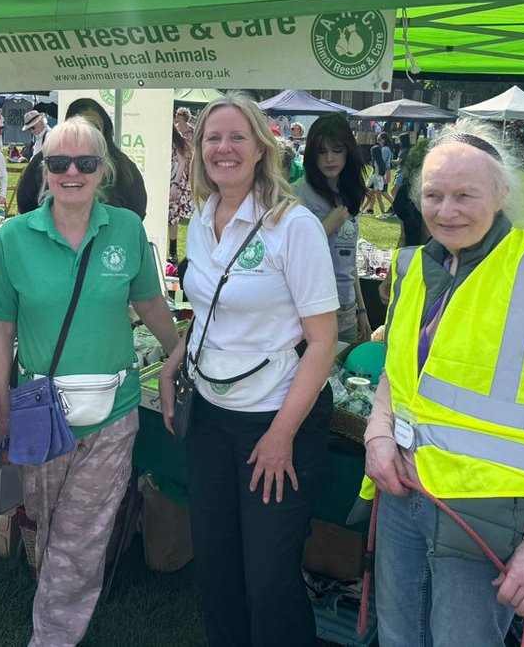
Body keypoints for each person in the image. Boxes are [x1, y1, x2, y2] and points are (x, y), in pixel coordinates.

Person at [361, 120, 524, 646]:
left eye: (465, 195)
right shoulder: (415, 267)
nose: (447, 211)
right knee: (398, 637)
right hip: (402, 496)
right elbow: (396, 377)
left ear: (501, 194)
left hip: (485, 518)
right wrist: (377, 435)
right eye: (433, 195)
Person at [0, 116, 180, 646]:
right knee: (48, 529)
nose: (72, 172)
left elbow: (148, 301)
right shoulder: (14, 236)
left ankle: (50, 639)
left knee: (81, 536)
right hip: (38, 410)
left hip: (114, 412)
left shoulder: (126, 229)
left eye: (85, 163)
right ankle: (57, 614)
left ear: (102, 169)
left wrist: (178, 349)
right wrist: (3, 407)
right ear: (43, 170)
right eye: (59, 162)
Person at [158, 93, 338, 646]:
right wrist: (173, 362)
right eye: (213, 138)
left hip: (276, 422)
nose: (223, 148)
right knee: (217, 569)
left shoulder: (294, 225)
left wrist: (282, 433)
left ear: (262, 147)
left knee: (268, 579)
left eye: (237, 137)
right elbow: (211, 313)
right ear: (198, 149)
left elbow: (324, 341)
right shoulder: (201, 221)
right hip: (211, 419)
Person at [294, 112, 372, 344]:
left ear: (348, 152)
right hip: (310, 313)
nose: (329, 159)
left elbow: (348, 258)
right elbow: (286, 256)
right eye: (322, 151)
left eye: (337, 151)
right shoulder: (296, 195)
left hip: (347, 311)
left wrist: (362, 309)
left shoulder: (348, 193)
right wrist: (326, 226)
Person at [16, 97, 147, 217]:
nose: (73, 171)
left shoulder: (123, 165)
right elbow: (25, 203)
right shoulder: (46, 158)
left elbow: (137, 211)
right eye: (60, 165)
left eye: (94, 127)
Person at [168, 122, 193, 262]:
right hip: (163, 180)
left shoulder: (176, 142)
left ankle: (173, 252)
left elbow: (182, 163)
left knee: (172, 219)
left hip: (174, 183)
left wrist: (175, 184)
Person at [361, 131, 391, 216]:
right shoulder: (380, 160)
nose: (378, 141)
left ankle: (384, 212)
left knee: (378, 195)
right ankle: (368, 210)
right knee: (377, 196)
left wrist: (370, 184)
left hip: (378, 179)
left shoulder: (384, 151)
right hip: (380, 178)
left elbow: (376, 173)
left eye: (379, 139)